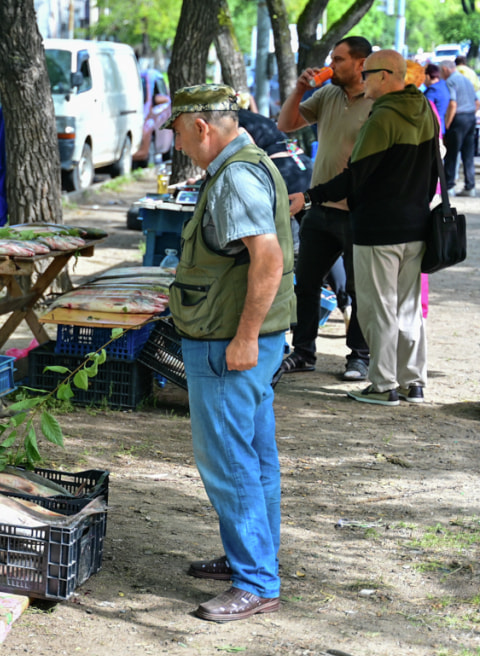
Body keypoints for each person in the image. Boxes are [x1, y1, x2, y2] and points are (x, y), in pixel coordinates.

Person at [164, 85, 294, 622]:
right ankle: (253, 557)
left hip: (229, 341)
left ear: (201, 127)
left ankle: (256, 580)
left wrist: (243, 337)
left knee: (229, 460)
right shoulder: (246, 162)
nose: (177, 146)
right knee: (255, 455)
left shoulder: (235, 176)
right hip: (244, 336)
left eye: (177, 134)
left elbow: (266, 258)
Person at [289, 50, 434, 406]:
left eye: (368, 73)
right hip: (416, 226)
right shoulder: (424, 111)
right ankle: (412, 382)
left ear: (386, 77)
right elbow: (433, 173)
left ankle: (383, 384)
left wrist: (309, 197)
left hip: (378, 229)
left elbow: (355, 178)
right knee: (407, 308)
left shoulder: (382, 116)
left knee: (377, 307)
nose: (363, 79)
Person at [276, 36, 373, 382]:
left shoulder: (376, 100)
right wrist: (300, 88)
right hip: (319, 207)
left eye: (340, 59)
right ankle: (303, 352)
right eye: (332, 58)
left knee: (360, 288)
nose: (332, 65)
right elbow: (285, 124)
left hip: (357, 212)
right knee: (305, 283)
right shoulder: (328, 94)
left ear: (361, 63)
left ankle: (359, 357)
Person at [440, 59, 478, 196]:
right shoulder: (466, 80)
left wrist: (447, 123)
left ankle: (449, 186)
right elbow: (477, 102)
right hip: (470, 117)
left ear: (445, 70)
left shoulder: (450, 81)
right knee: (468, 154)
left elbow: (453, 103)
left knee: (451, 154)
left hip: (457, 118)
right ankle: (470, 186)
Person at [423, 64, 450, 132]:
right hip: (442, 126)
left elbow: (425, 109)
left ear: (427, 76)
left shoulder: (432, 91)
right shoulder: (444, 85)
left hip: (433, 127)